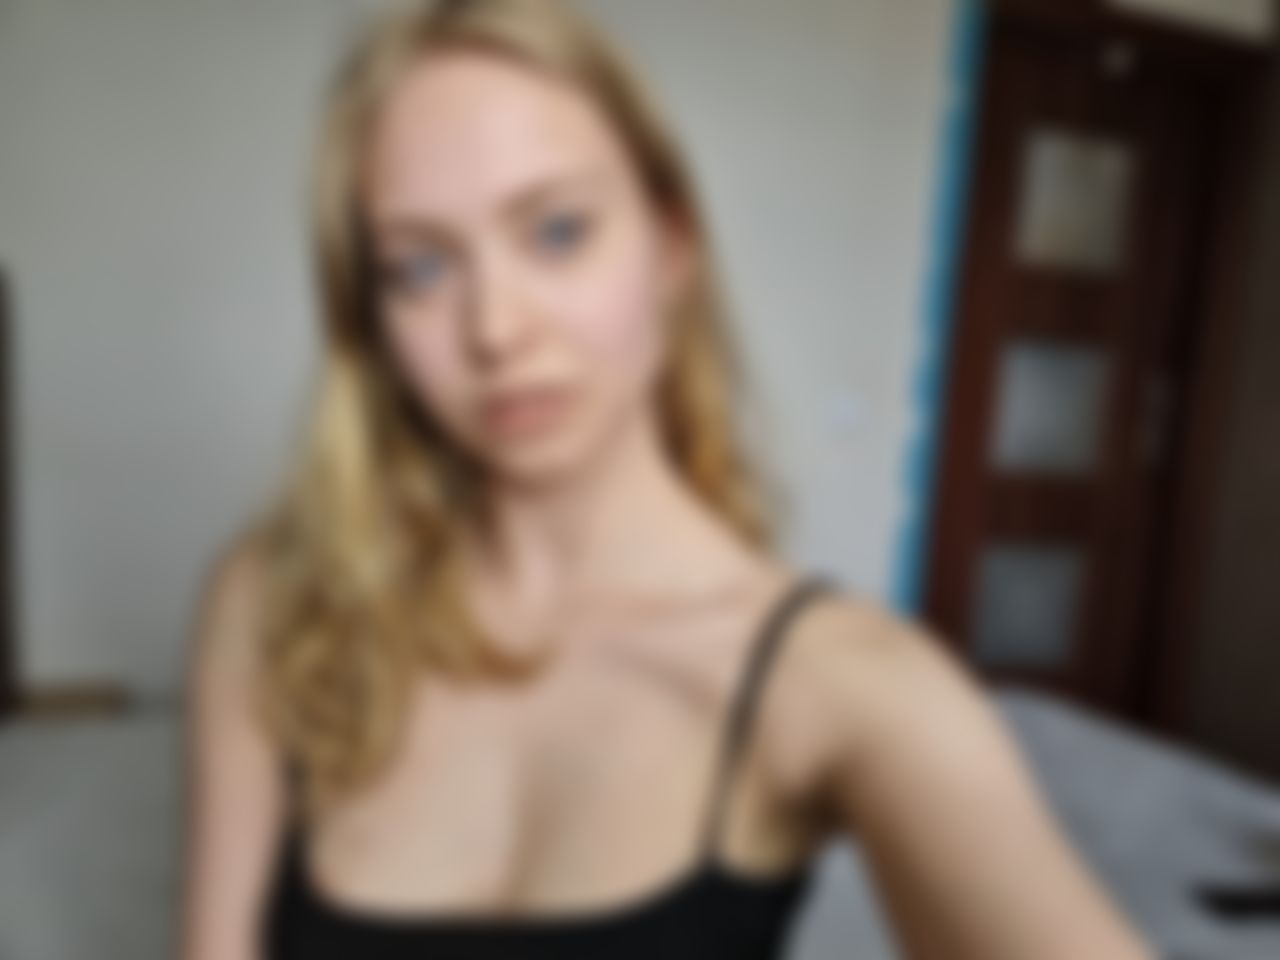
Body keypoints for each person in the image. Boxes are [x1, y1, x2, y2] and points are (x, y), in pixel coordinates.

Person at [180, 1, 1157, 957]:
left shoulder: (841, 684)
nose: (495, 330)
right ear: (374, 322)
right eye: (421, 269)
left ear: (670, 248)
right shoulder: (276, 598)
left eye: (557, 232)